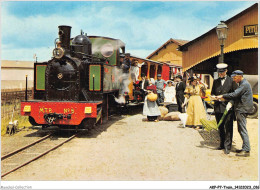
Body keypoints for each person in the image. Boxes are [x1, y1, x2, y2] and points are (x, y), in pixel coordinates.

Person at [217, 70, 253, 157]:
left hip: (242, 109)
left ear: (240, 76)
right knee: (241, 129)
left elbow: (235, 94)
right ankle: (245, 147)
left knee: (242, 129)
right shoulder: (242, 83)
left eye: (235, 77)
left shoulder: (244, 84)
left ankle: (246, 150)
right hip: (242, 109)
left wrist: (222, 96)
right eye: (232, 77)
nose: (233, 79)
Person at [211, 63, 238, 154]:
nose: (221, 74)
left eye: (222, 72)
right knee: (220, 127)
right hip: (218, 107)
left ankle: (227, 146)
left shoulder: (232, 81)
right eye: (219, 72)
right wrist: (213, 97)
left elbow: (235, 94)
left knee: (228, 127)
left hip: (227, 107)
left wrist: (226, 99)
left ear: (226, 71)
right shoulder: (215, 81)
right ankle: (222, 144)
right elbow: (213, 93)